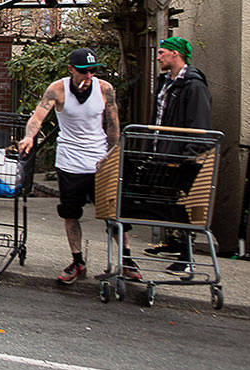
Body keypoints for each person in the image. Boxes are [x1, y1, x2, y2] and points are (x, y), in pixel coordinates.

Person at [17, 48, 128, 285]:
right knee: (70, 213)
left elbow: (113, 124)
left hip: (99, 160)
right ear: (71, 70)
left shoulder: (104, 89)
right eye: (83, 71)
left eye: (92, 71)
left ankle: (128, 260)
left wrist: (113, 153)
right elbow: (37, 117)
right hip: (70, 160)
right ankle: (78, 261)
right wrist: (29, 137)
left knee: (113, 212)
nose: (88, 76)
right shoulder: (57, 90)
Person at [142, 36, 213, 274]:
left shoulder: (193, 84)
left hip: (179, 156)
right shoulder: (166, 82)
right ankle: (174, 241)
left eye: (162, 52)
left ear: (176, 54)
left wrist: (188, 156)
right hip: (162, 152)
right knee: (160, 200)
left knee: (178, 203)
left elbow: (198, 122)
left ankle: (186, 254)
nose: (159, 56)